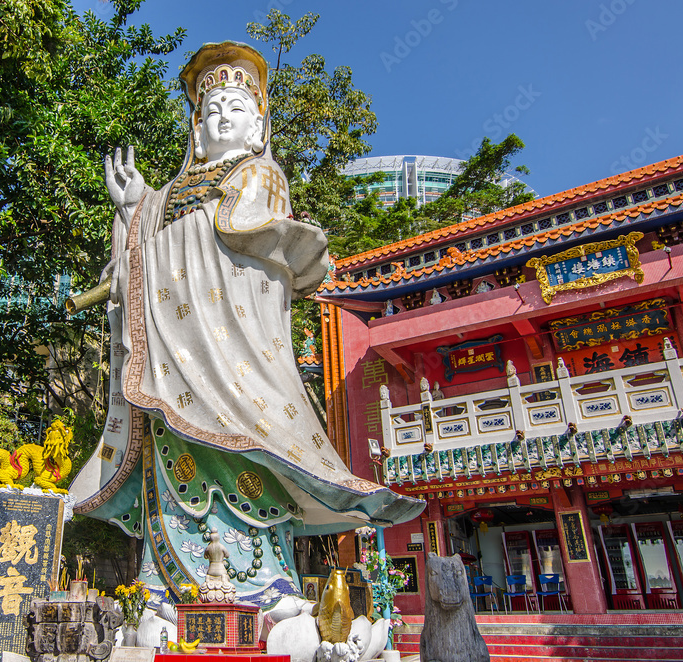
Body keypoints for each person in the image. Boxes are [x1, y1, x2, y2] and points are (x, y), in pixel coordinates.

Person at [71, 42, 423, 606]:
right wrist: (135, 207)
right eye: (211, 111)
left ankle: (261, 584)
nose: (222, 117)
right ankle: (165, 591)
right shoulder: (168, 197)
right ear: (195, 129)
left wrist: (176, 235)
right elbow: (146, 247)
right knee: (173, 460)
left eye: (236, 108)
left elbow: (247, 237)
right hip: (172, 365)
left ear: (258, 126)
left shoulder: (261, 174)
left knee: (244, 456)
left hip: (236, 362)